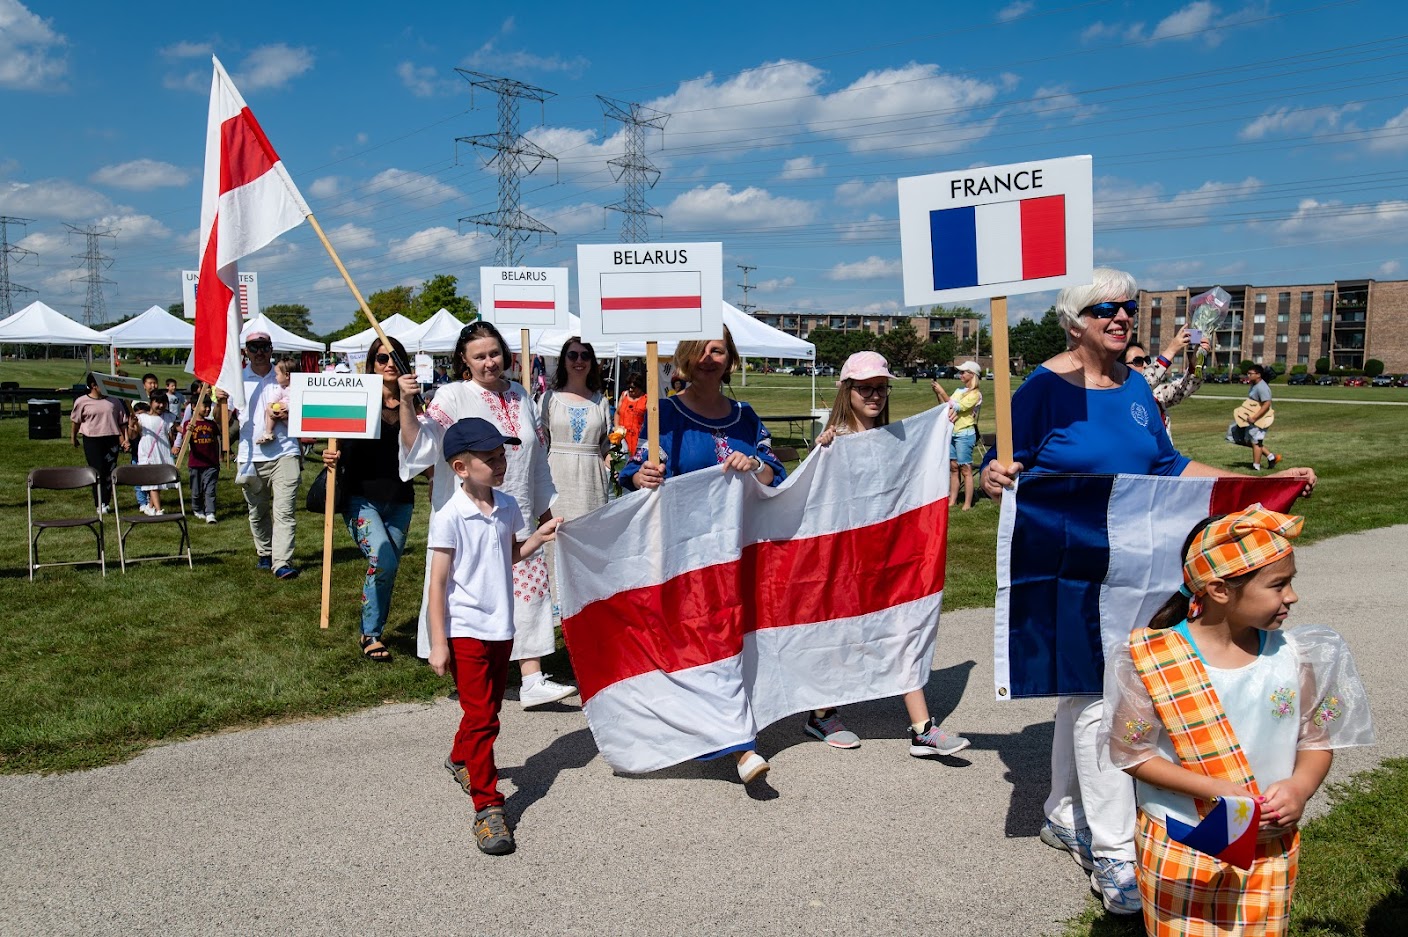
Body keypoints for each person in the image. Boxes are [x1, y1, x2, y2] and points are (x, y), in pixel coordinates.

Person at [979, 268, 1317, 916]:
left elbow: (1169, 466)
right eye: (1106, 307)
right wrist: (995, 474)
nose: (1122, 316)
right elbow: (1001, 465)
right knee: (1100, 692)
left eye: (1129, 307)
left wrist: (1254, 489)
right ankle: (1111, 849)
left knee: (1086, 690)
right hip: (1069, 563)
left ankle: (1062, 809)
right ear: (1075, 319)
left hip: (1133, 563)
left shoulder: (1137, 386)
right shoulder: (1042, 389)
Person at [1101, 507, 1373, 935]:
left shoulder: (1295, 656)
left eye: (1291, 581)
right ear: (1219, 590)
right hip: (1180, 841)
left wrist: (1301, 787)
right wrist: (1217, 791)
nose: (1292, 596)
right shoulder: (1151, 659)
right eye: (1278, 584)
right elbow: (1131, 754)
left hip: (1266, 846)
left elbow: (1316, 741)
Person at [620, 328, 787, 785]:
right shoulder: (664, 414)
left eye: (718, 349)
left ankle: (721, 731)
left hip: (738, 552)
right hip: (684, 553)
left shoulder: (747, 417)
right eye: (700, 349)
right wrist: (642, 477)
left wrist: (755, 464)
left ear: (730, 358)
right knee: (702, 641)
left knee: (729, 638)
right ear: (685, 358)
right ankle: (740, 745)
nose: (709, 357)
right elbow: (634, 470)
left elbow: (775, 470)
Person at [805, 351, 972, 757]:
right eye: (865, 388)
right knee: (845, 635)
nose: (874, 395)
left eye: (880, 387)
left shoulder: (897, 436)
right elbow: (813, 501)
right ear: (848, 391)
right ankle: (821, 715)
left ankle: (922, 728)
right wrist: (821, 448)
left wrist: (938, 429)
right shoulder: (834, 441)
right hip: (846, 560)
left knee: (902, 629)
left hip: (889, 555)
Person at [401, 321, 573, 709]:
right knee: (469, 591)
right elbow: (422, 445)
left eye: (494, 353)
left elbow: (535, 460)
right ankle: (467, 668)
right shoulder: (453, 396)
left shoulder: (520, 395)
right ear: (464, 360)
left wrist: (545, 511)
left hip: (519, 509)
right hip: (469, 516)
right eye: (479, 356)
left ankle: (531, 678)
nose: (489, 362)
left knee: (527, 589)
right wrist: (408, 405)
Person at [427, 417, 563, 856]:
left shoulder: (506, 506)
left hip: (501, 628)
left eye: (502, 455)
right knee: (485, 716)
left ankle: (459, 757)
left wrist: (538, 538)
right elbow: (437, 583)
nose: (501, 463)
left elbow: (509, 556)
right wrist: (438, 642)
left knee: (479, 708)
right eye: (490, 459)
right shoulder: (450, 516)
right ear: (461, 467)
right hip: (464, 629)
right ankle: (487, 807)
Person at [322, 336, 422, 663]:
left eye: (395, 357)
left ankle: (373, 628)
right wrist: (331, 455)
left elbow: (423, 450)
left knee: (387, 569)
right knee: (383, 560)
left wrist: (408, 401)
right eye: (381, 359)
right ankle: (370, 634)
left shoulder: (416, 403)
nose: (389, 363)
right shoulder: (358, 398)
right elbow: (338, 440)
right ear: (371, 364)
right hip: (361, 498)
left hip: (400, 498)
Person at [235, 332, 303, 580]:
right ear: (246, 351)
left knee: (284, 511)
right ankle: (265, 552)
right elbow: (226, 417)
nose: (259, 352)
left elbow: (304, 416)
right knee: (258, 511)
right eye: (254, 347)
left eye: (264, 347)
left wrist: (285, 416)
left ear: (271, 349)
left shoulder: (285, 377)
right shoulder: (237, 380)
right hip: (251, 455)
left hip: (285, 451)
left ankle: (282, 562)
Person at [541, 337, 613, 521]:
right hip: (557, 477)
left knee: (591, 536)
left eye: (585, 356)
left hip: (592, 480)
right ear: (563, 361)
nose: (579, 360)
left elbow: (606, 446)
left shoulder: (601, 402)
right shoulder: (549, 399)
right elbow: (541, 444)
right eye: (572, 355)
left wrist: (617, 462)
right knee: (557, 535)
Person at [1123, 329, 1207, 435]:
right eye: (1138, 361)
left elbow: (1184, 389)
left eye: (1147, 360)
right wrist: (1172, 349)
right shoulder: (1120, 393)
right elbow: (1143, 384)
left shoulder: (1157, 394)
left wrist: (1196, 360)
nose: (1145, 365)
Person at [70, 373, 129, 514]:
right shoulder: (82, 401)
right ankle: (99, 502)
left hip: (111, 438)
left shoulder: (115, 401)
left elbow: (122, 422)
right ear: (93, 386)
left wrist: (125, 439)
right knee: (97, 470)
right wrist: (73, 437)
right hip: (92, 439)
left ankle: (106, 501)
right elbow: (76, 421)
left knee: (109, 471)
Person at [130, 391, 177, 515]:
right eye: (158, 402)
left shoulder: (168, 417)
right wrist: (132, 424)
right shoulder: (142, 418)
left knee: (159, 480)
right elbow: (134, 435)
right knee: (152, 481)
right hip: (148, 452)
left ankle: (150, 507)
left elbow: (175, 431)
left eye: (164, 403)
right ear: (151, 402)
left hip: (163, 450)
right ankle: (158, 509)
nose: (161, 405)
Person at [1229, 363, 1281, 472]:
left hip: (1261, 418)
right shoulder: (1255, 384)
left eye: (1250, 373)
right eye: (1248, 373)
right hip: (1252, 417)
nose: (1248, 375)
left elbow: (1266, 404)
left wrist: (1254, 417)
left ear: (1258, 375)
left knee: (1256, 441)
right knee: (1242, 437)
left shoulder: (1262, 387)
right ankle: (1271, 457)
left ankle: (1256, 467)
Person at [946, 361, 983, 512]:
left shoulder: (975, 394)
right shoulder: (958, 390)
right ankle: (953, 500)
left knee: (965, 469)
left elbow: (957, 407)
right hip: (953, 433)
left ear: (972, 375)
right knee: (954, 468)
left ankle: (968, 503)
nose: (961, 374)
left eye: (964, 372)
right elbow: (948, 405)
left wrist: (941, 391)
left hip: (965, 434)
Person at [182, 396, 220, 523]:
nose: (208, 409)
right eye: (205, 406)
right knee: (196, 489)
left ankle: (210, 513)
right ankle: (197, 508)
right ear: (194, 407)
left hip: (211, 463)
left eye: (209, 406)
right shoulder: (189, 424)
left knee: (210, 489)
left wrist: (219, 455)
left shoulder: (211, 424)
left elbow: (216, 441)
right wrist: (188, 432)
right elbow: (185, 441)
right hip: (196, 463)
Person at [255, 360, 293, 445]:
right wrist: (270, 405)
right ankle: (268, 432)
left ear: (287, 375)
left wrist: (287, 407)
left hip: (291, 416)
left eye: (277, 374)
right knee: (271, 410)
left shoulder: (296, 388)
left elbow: (298, 403)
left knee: (294, 431)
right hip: (281, 411)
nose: (275, 377)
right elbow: (275, 396)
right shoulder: (281, 387)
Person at [616, 370, 648, 456]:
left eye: (633, 387)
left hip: (638, 438)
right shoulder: (624, 395)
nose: (630, 389)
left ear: (640, 387)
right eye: (629, 387)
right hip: (622, 437)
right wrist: (616, 427)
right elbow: (617, 413)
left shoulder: (646, 399)